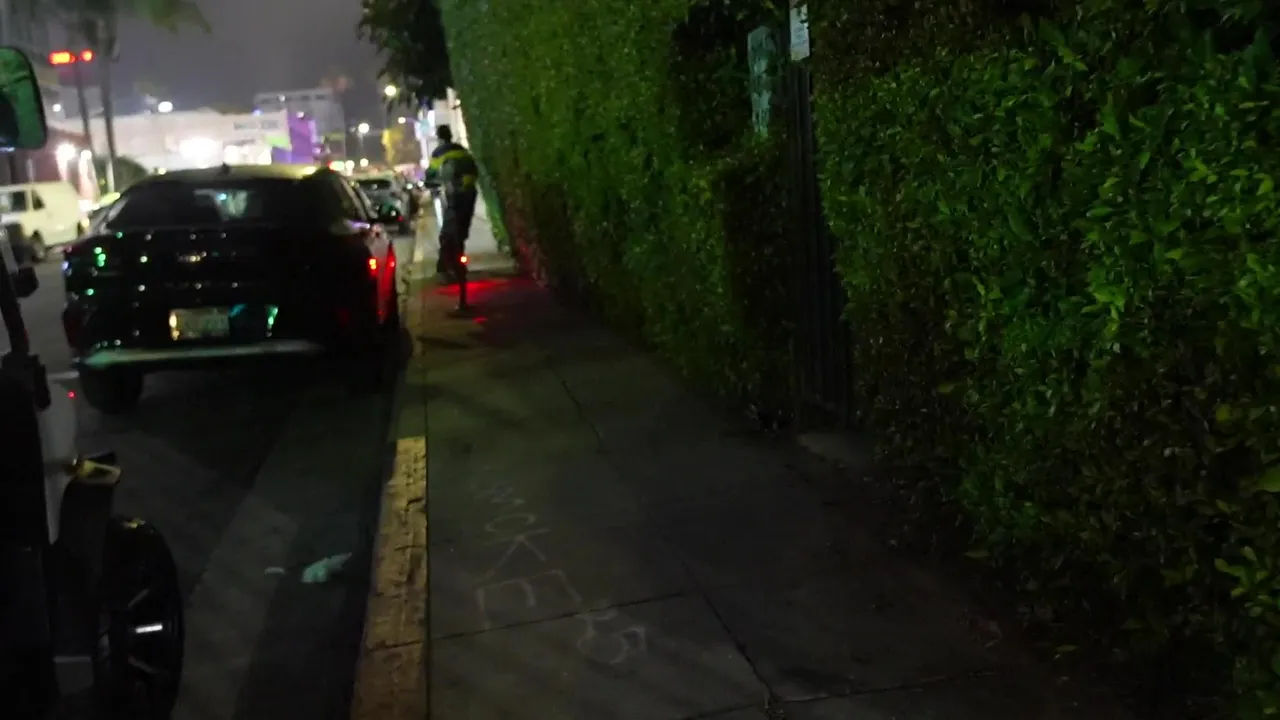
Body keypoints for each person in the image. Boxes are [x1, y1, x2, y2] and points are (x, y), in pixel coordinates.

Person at [426, 125, 479, 278]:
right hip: (469, 193)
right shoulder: (462, 150)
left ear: (439, 138)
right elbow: (474, 170)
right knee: (462, 230)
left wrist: (430, 183)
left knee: (447, 231)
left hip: (453, 194)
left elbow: (431, 174)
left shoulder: (439, 152)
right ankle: (459, 260)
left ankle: (444, 266)